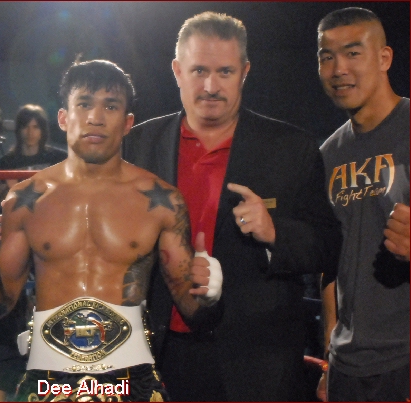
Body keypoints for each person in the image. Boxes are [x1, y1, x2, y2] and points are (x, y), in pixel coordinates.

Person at [0, 59, 223, 402]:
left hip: (131, 378)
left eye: (110, 106)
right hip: (49, 378)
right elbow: (1, 305)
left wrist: (209, 293)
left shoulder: (161, 201)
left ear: (127, 123)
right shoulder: (25, 200)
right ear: (63, 118)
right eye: (84, 104)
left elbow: (193, 310)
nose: (96, 117)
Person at [122, 11, 342, 401]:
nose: (211, 86)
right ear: (177, 71)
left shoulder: (291, 148)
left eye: (224, 72)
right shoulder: (138, 145)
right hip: (158, 356)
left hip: (258, 363)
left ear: (245, 72)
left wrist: (275, 233)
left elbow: (328, 246)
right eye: (199, 71)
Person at [314, 7, 409, 402]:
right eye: (327, 57)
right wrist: (330, 355)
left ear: (384, 58)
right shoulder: (327, 155)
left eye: (353, 53)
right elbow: (329, 264)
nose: (339, 69)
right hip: (348, 367)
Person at [0, 104, 66, 213]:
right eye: (25, 127)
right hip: (18, 218)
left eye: (35, 127)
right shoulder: (6, 162)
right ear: (19, 130)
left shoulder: (58, 158)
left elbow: (68, 193)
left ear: (42, 130)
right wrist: (9, 189)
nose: (30, 132)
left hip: (52, 215)